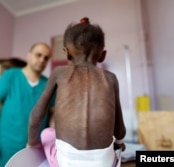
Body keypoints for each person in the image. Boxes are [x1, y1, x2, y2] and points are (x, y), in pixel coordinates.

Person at [28, 17, 126, 167]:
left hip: (66, 162)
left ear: (66, 53)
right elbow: (119, 129)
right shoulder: (111, 78)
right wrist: (119, 143)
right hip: (104, 163)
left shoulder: (59, 73)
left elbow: (36, 114)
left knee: (47, 133)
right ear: (102, 55)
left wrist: (32, 143)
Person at [0, 42, 54, 167]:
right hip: (5, 148)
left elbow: (53, 115)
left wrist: (53, 142)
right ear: (29, 55)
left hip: (33, 151)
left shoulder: (49, 85)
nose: (42, 60)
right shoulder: (11, 76)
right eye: (39, 55)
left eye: (46, 58)